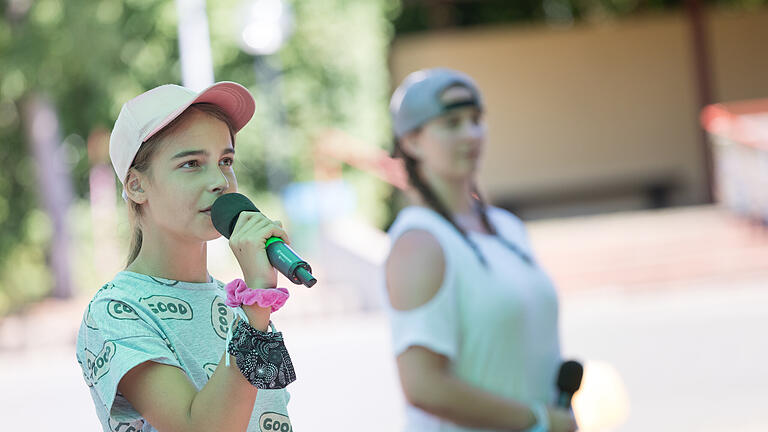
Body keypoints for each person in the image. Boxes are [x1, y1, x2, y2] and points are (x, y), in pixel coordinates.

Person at [76, 81, 296, 432]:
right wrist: (256, 301)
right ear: (136, 185)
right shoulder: (116, 310)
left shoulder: (238, 305)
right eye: (192, 163)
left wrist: (252, 304)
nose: (220, 181)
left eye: (225, 160)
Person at [384, 68, 577, 432]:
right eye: (452, 123)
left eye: (476, 120)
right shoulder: (419, 242)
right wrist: (537, 421)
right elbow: (424, 386)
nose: (470, 134)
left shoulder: (508, 227)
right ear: (410, 142)